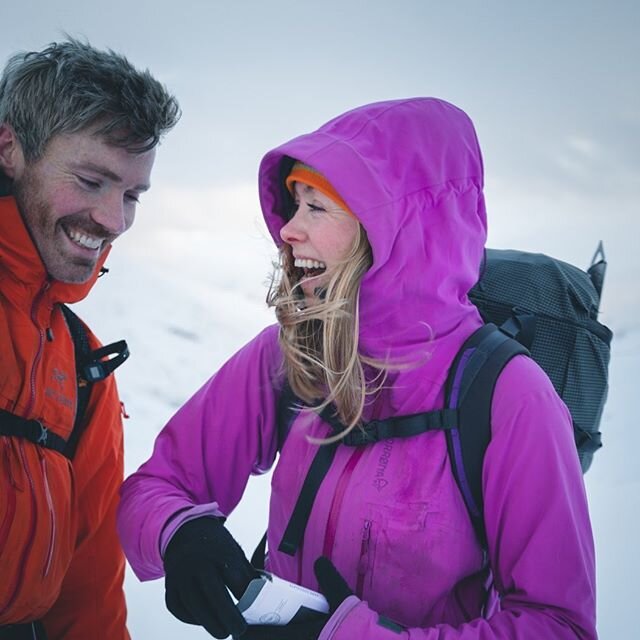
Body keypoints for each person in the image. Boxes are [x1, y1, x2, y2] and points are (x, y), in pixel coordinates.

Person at [117, 98, 596, 639]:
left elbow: (560, 627)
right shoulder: (291, 355)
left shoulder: (509, 396)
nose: (288, 231)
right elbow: (156, 485)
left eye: (316, 207)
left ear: (399, 224)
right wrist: (179, 534)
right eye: (294, 205)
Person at [0, 39, 179, 640]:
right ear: (9, 150)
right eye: (91, 181)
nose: (114, 220)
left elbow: (91, 589)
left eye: (131, 195)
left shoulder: (81, 364)